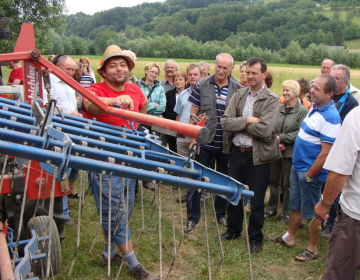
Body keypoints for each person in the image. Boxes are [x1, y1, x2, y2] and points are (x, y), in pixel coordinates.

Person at [82, 45, 156, 280]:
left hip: (129, 160)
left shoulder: (135, 90)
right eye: (112, 65)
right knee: (115, 213)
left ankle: (108, 251)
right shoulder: (95, 88)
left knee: (124, 208)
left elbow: (142, 107)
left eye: (122, 64)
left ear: (129, 68)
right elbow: (89, 105)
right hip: (104, 162)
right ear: (103, 71)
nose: (119, 68)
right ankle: (134, 265)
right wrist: (112, 101)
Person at [270, 74, 341, 262]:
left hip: (310, 172)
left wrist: (310, 175)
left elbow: (326, 153)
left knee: (312, 211)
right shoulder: (316, 108)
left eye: (317, 89)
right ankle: (289, 238)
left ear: (330, 93)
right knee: (296, 205)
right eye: (313, 87)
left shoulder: (331, 117)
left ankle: (312, 248)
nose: (312, 91)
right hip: (298, 166)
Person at [220, 57, 281, 255]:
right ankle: (233, 230)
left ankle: (255, 238)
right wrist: (247, 120)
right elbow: (226, 122)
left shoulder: (272, 99)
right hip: (237, 153)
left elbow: (265, 130)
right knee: (234, 194)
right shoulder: (239, 94)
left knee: (256, 200)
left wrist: (241, 126)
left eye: (254, 73)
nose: (250, 76)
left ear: (264, 74)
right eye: (247, 72)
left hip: (258, 157)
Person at [184, 53, 242, 234]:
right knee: (196, 180)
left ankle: (220, 214)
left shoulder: (238, 89)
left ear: (232, 69)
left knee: (223, 181)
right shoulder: (202, 84)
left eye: (225, 68)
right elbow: (194, 112)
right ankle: (192, 218)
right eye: (219, 66)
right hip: (204, 142)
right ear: (214, 65)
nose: (221, 71)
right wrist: (193, 138)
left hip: (226, 145)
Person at [314, 106, 360, 280]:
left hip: (356, 217)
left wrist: (325, 203)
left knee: (340, 272)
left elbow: (340, 171)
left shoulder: (357, 117)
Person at [320, 64, 358, 239]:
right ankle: (320, 217)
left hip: (340, 151)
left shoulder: (351, 103)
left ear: (345, 82)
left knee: (336, 189)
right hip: (322, 149)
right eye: (331, 76)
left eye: (336, 78)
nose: (332, 80)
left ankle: (330, 223)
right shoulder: (326, 96)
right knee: (323, 186)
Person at [265, 80, 308, 224]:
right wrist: (276, 141)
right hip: (275, 149)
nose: (284, 93)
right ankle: (271, 209)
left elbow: (301, 132)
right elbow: (270, 127)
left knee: (288, 183)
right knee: (273, 180)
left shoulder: (302, 112)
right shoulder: (279, 108)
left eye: (287, 90)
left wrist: (282, 139)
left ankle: (287, 213)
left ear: (295, 92)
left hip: (291, 152)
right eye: (283, 90)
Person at [173, 63, 203, 203]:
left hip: (197, 136)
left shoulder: (205, 94)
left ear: (201, 76)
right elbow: (178, 116)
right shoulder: (183, 94)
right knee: (183, 164)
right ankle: (188, 192)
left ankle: (201, 193)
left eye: (195, 74)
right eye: (190, 74)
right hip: (182, 135)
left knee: (198, 165)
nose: (192, 77)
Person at [162, 70, 187, 152]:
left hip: (187, 127)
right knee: (173, 150)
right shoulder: (169, 94)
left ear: (185, 80)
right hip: (172, 128)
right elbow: (164, 111)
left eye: (180, 79)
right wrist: (176, 117)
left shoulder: (191, 94)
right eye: (176, 80)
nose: (178, 82)